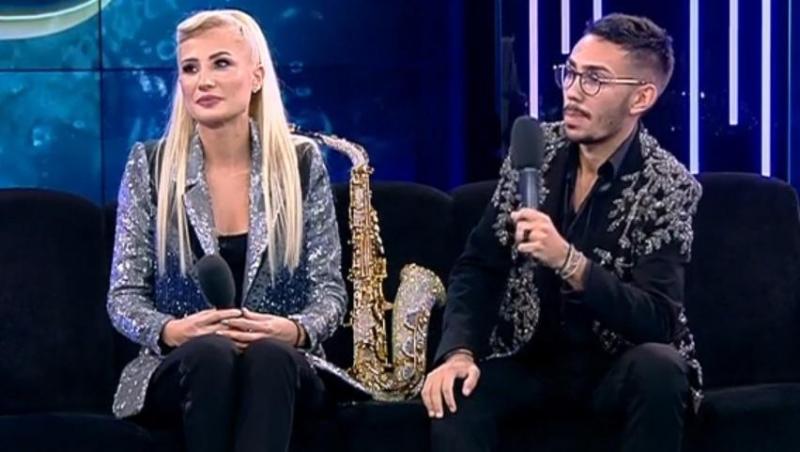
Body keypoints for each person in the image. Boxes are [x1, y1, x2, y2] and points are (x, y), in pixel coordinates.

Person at [422, 14, 703, 452]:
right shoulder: (534, 151)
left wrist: (570, 262)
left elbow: (656, 319)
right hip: (529, 358)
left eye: (594, 79)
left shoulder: (668, 185)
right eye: (570, 72)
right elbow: (478, 267)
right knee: (457, 393)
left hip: (614, 366)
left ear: (641, 97)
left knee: (661, 368)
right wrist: (458, 352)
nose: (572, 91)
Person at [107, 9, 347, 452]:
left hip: (282, 364)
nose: (203, 81)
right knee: (210, 354)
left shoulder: (300, 165)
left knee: (268, 356)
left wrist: (294, 331)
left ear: (256, 77)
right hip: (184, 364)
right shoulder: (151, 166)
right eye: (190, 68)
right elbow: (124, 296)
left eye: (220, 63)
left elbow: (330, 293)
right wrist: (172, 331)